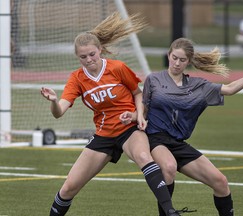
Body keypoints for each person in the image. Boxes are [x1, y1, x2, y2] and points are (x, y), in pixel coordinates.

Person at [41, 12, 183, 216]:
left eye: (92, 54)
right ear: (77, 57)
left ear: (99, 50)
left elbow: (138, 93)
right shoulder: (77, 78)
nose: (89, 59)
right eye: (83, 57)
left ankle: (170, 212)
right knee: (69, 188)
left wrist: (139, 115)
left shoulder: (117, 68)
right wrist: (54, 101)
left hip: (128, 129)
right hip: (103, 136)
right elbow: (59, 112)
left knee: (144, 157)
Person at [121, 37, 243, 216]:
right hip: (155, 137)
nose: (177, 63)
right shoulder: (154, 79)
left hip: (178, 142)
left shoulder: (198, 85)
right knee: (168, 167)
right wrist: (133, 116)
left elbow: (229, 89)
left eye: (182, 60)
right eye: (174, 57)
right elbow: (144, 109)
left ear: (188, 62)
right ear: (168, 55)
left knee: (220, 182)